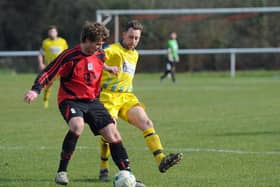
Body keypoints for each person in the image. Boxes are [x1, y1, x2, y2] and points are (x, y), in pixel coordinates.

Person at [24, 21, 144, 186]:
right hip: (70, 99)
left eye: (102, 44)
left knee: (113, 134)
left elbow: (98, 62)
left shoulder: (100, 54)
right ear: (86, 40)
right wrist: (35, 90)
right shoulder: (69, 56)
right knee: (77, 125)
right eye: (97, 44)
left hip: (92, 101)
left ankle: (130, 177)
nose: (99, 47)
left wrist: (108, 68)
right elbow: (49, 71)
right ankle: (62, 171)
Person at [98, 20, 183, 181]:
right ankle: (103, 167)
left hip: (127, 97)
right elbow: (94, 58)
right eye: (131, 37)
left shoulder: (135, 54)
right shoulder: (112, 50)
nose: (134, 41)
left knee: (147, 123)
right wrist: (107, 68)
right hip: (108, 96)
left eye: (137, 38)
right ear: (123, 35)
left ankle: (161, 160)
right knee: (110, 132)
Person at [38, 25, 68, 108]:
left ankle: (66, 100)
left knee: (65, 84)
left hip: (62, 67)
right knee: (48, 84)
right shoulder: (45, 42)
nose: (52, 33)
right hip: (51, 68)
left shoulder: (62, 41)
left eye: (53, 31)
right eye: (50, 32)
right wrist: (41, 63)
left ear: (57, 33)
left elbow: (67, 53)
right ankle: (45, 100)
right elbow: (40, 53)